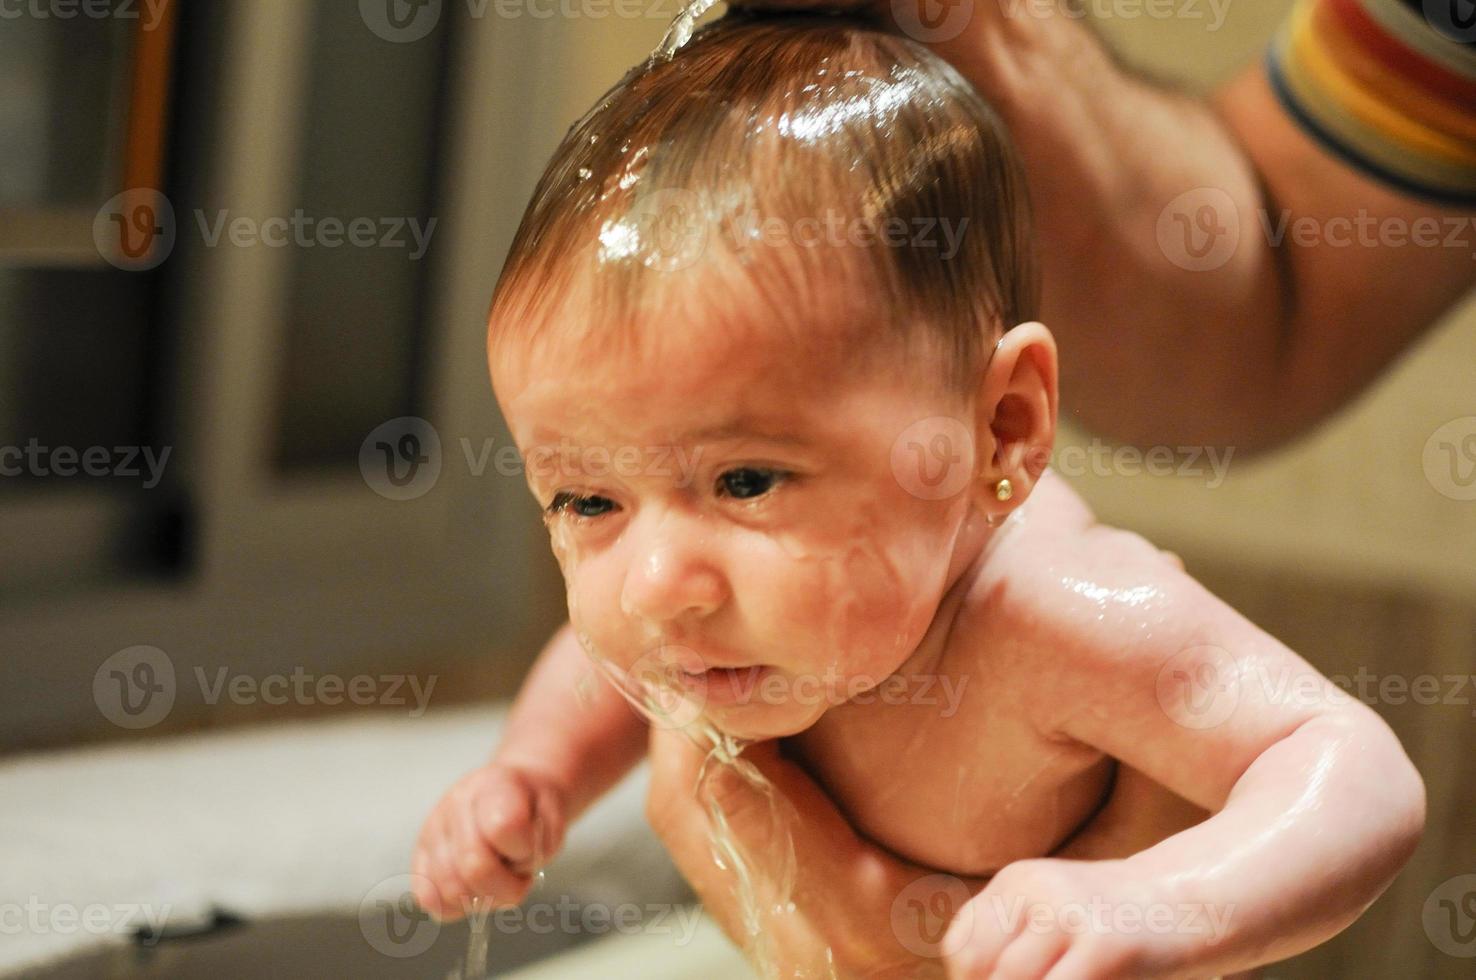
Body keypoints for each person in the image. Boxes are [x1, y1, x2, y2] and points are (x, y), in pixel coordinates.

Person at [410, 13, 1425, 977]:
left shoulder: (1055, 617)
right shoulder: (697, 611)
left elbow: (1351, 766)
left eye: (747, 479)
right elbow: (601, 670)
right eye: (587, 502)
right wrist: (531, 773)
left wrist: (1154, 903)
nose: (655, 584)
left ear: (1003, 429)